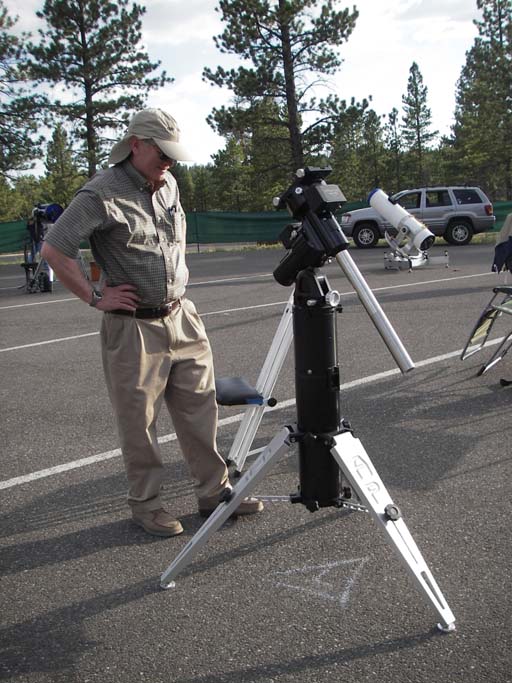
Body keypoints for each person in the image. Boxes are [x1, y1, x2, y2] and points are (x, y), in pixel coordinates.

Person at [42, 108, 263, 537]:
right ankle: (146, 507)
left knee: (201, 412)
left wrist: (176, 279)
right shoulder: (100, 194)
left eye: (172, 154)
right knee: (140, 424)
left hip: (182, 316)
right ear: (135, 145)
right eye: (161, 152)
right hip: (134, 328)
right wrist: (95, 296)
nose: (169, 161)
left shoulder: (169, 184)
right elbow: (55, 249)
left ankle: (214, 493)